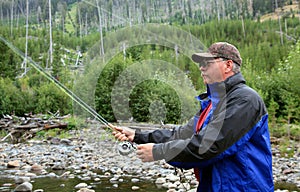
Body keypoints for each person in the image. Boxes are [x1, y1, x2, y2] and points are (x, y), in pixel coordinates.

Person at [112, 42, 274, 191]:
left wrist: (158, 152)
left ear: (228, 65)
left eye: (207, 63)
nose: (201, 68)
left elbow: (210, 145)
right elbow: (182, 134)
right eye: (201, 64)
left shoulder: (245, 100)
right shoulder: (212, 103)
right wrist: (138, 136)